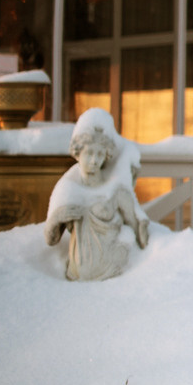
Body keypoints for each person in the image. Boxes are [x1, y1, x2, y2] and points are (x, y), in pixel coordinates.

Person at [43, 108, 147, 281]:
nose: (94, 160)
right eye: (89, 153)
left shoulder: (114, 190)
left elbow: (141, 237)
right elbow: (51, 239)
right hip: (77, 278)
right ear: (78, 153)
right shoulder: (68, 188)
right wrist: (56, 218)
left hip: (114, 275)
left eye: (100, 154)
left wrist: (131, 174)